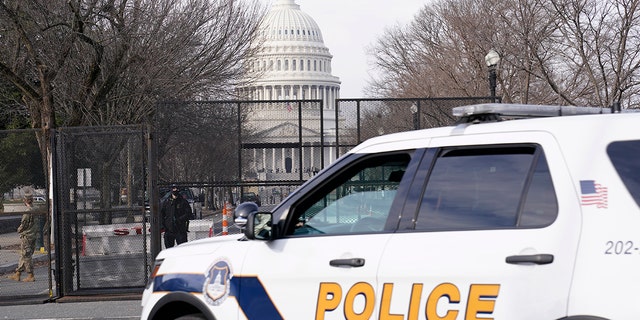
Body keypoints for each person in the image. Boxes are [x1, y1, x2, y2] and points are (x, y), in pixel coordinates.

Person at [7, 195, 40, 282]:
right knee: (24, 255)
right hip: (34, 235)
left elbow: (24, 224)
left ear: (25, 201)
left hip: (27, 236)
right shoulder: (36, 209)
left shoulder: (27, 211)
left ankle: (30, 274)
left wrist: (19, 230)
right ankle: (18, 273)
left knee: (26, 256)